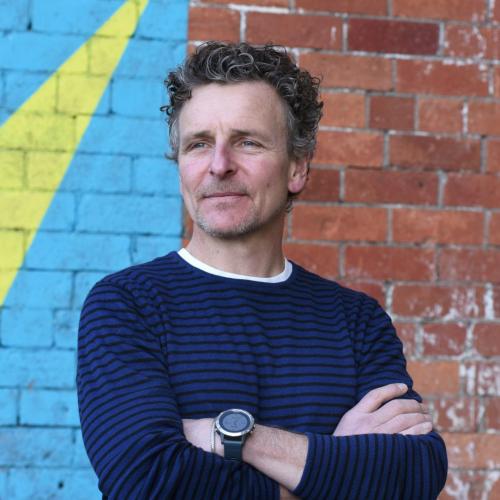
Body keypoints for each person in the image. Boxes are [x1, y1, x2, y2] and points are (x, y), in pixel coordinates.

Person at [77, 41, 447, 499]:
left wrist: (233, 435)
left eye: (247, 142)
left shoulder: (356, 321)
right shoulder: (128, 305)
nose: (219, 166)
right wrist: (334, 464)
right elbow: (147, 481)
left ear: (297, 168)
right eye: (198, 144)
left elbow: (415, 474)